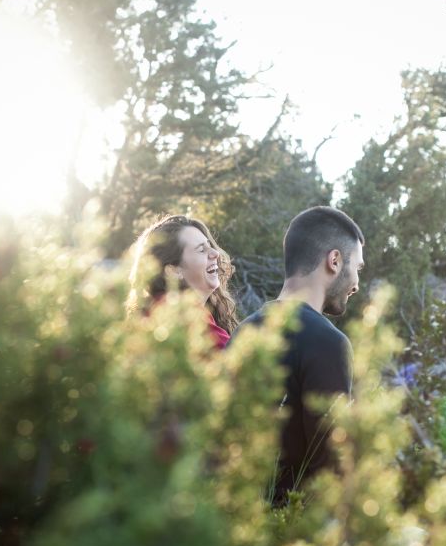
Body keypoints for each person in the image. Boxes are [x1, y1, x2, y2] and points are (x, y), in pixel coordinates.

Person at [234, 206, 365, 505]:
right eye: (357, 267)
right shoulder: (328, 343)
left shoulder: (243, 332)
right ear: (334, 260)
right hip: (289, 533)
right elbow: (329, 471)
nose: (357, 284)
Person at [128, 215, 238, 348]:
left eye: (209, 246)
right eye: (202, 250)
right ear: (174, 270)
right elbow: (236, 360)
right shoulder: (182, 315)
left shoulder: (160, 307)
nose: (215, 253)